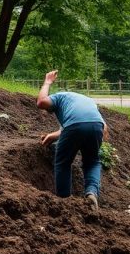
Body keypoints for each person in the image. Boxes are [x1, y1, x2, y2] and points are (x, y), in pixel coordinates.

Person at [36, 70, 108, 210]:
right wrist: (53, 135)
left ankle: (64, 203)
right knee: (92, 162)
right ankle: (91, 192)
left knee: (63, 162)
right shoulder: (86, 101)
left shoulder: (58, 97)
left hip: (76, 126)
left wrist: (47, 82)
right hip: (96, 126)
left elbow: (41, 102)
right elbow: (97, 126)